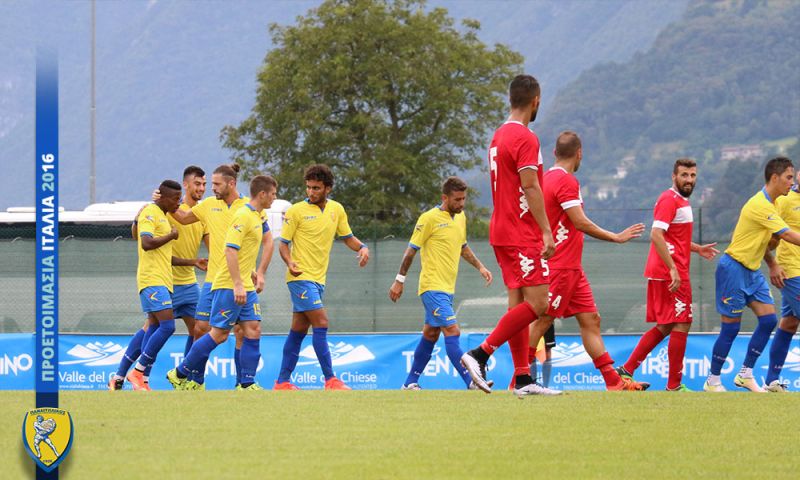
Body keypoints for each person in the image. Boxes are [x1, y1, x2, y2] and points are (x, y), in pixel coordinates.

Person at [511, 131, 649, 393]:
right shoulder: (565, 181)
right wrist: (616, 237)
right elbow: (580, 222)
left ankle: (613, 382)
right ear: (579, 153)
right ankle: (519, 379)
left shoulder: (546, 178)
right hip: (561, 266)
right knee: (542, 321)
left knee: (591, 320)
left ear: (554, 153)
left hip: (572, 267)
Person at [460, 74, 557, 396]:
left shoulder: (499, 135)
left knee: (517, 304)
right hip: (521, 232)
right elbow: (530, 185)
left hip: (501, 229)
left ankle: (523, 378)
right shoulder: (525, 137)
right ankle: (480, 354)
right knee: (540, 303)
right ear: (536, 101)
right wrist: (546, 230)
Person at [616, 158, 719, 391]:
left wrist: (697, 248)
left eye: (692, 175)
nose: (689, 180)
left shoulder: (681, 201)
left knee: (667, 325)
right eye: (684, 175)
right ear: (674, 177)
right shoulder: (669, 199)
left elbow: (674, 237)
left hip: (669, 270)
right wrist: (672, 268)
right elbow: (656, 234)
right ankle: (673, 386)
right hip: (670, 272)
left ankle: (626, 370)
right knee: (682, 323)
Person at [168, 175, 277, 391]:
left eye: (216, 183)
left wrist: (258, 273)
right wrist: (237, 284)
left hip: (246, 285)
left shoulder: (256, 216)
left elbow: (264, 244)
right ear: (263, 194)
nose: (275, 197)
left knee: (253, 330)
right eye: (273, 194)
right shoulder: (243, 216)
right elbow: (230, 250)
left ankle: (246, 383)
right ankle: (180, 373)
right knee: (219, 334)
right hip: (229, 284)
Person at [704, 156, 800, 392]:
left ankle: (746, 374)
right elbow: (787, 235)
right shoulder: (760, 205)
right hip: (733, 268)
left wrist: (772, 263)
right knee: (731, 328)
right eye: (789, 177)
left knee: (769, 320)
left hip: (752, 270)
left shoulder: (774, 203)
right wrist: (776, 254)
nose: (792, 182)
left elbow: (768, 243)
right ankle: (713, 381)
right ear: (775, 178)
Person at [388, 176, 493, 390]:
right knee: (453, 331)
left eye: (463, 199)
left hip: (447, 289)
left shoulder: (460, 218)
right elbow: (410, 251)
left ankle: (409, 383)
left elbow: (462, 247)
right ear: (445, 198)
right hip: (432, 287)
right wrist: (399, 280)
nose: (461, 204)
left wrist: (481, 267)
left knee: (431, 334)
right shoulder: (429, 218)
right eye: (457, 199)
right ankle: (472, 381)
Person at [109, 166, 208, 390]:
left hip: (185, 283)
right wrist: (142, 215)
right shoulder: (163, 211)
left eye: (205, 184)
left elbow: (167, 255)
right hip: (159, 281)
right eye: (197, 184)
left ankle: (184, 378)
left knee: (199, 330)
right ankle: (128, 374)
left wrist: (194, 262)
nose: (202, 188)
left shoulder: (194, 213)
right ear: (186, 186)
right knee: (158, 327)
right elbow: (142, 238)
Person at [273, 164, 370, 390]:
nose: (311, 192)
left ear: (328, 188)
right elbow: (283, 245)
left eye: (316, 188)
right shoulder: (296, 211)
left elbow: (348, 237)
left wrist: (362, 247)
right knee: (322, 322)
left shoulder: (337, 209)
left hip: (318, 279)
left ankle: (282, 382)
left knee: (298, 331)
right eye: (308, 187)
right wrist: (290, 262)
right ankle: (331, 380)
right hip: (299, 277)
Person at [125, 180, 185, 390]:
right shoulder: (150, 212)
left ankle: (141, 380)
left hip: (163, 280)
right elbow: (146, 243)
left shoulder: (163, 217)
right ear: (164, 198)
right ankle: (137, 371)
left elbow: (165, 255)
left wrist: (193, 262)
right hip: (152, 279)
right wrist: (171, 235)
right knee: (168, 326)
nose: (179, 202)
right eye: (176, 199)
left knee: (154, 327)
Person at [763, 169, 800, 392]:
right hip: (791, 270)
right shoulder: (784, 200)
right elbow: (767, 233)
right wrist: (772, 263)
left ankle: (771, 381)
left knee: (789, 323)